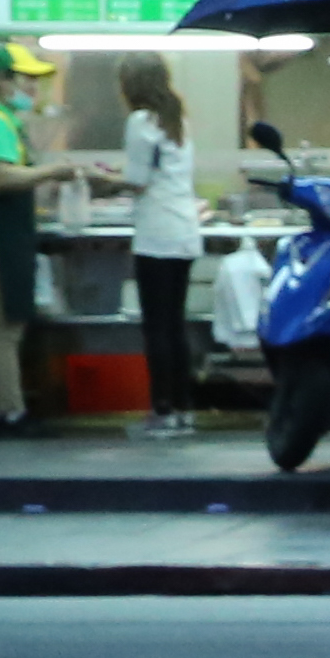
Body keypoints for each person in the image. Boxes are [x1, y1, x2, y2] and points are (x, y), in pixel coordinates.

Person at [0, 48, 95, 434]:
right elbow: (1, 177)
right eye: (25, 77)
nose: (32, 86)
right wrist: (53, 171)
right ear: (0, 79)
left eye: (36, 79)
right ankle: (11, 413)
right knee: (6, 328)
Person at [114, 57, 204, 441]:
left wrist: (97, 178)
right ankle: (183, 410)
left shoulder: (140, 122)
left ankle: (161, 411)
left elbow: (136, 179)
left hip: (156, 232)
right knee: (175, 324)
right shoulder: (176, 119)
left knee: (156, 327)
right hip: (183, 230)